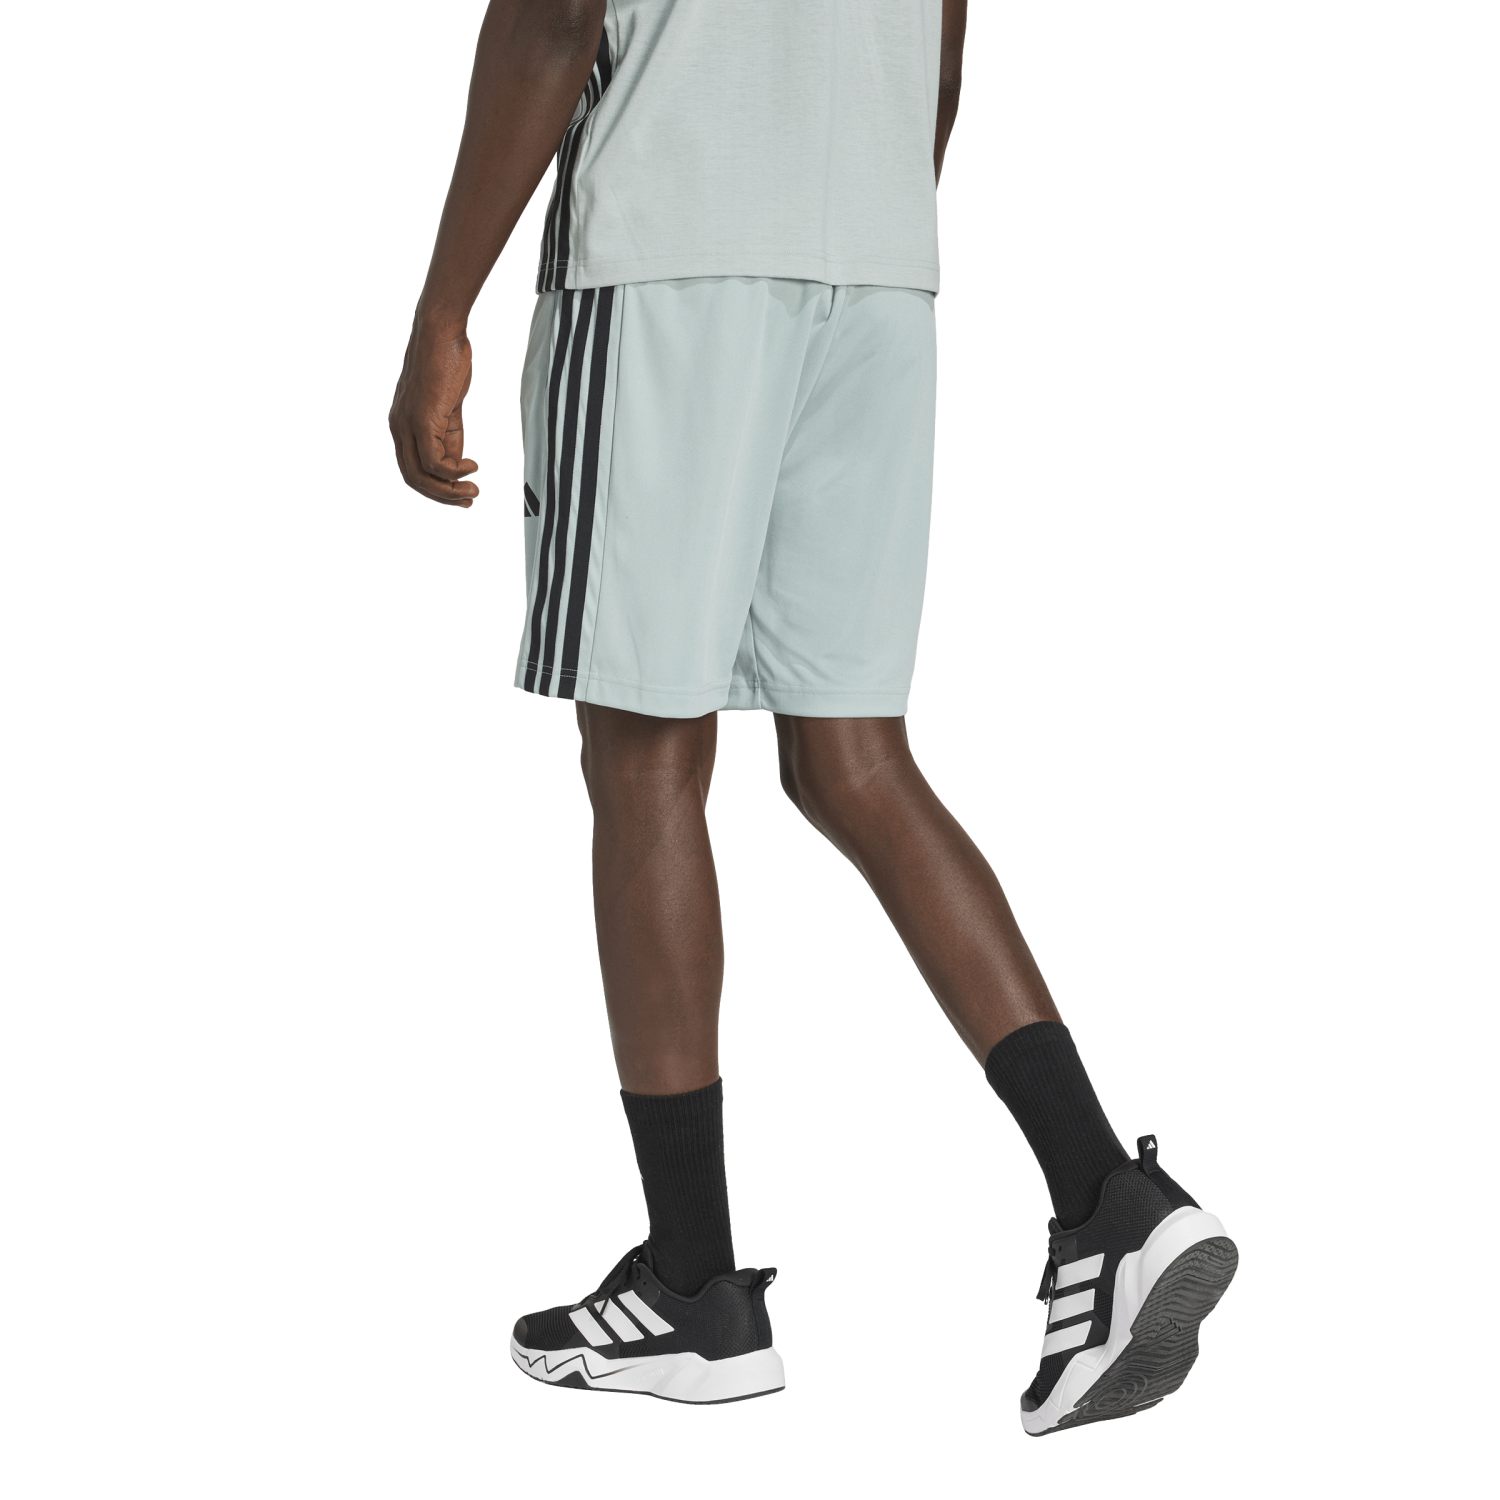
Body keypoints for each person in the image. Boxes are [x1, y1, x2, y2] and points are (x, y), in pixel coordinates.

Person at [388, 0, 1236, 1430]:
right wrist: (859, 214)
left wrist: (438, 314)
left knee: (647, 763)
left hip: (672, 245)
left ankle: (695, 1287)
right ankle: (1109, 1195)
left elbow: (552, 14)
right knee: (856, 758)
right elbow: (950, 37)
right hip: (877, 259)